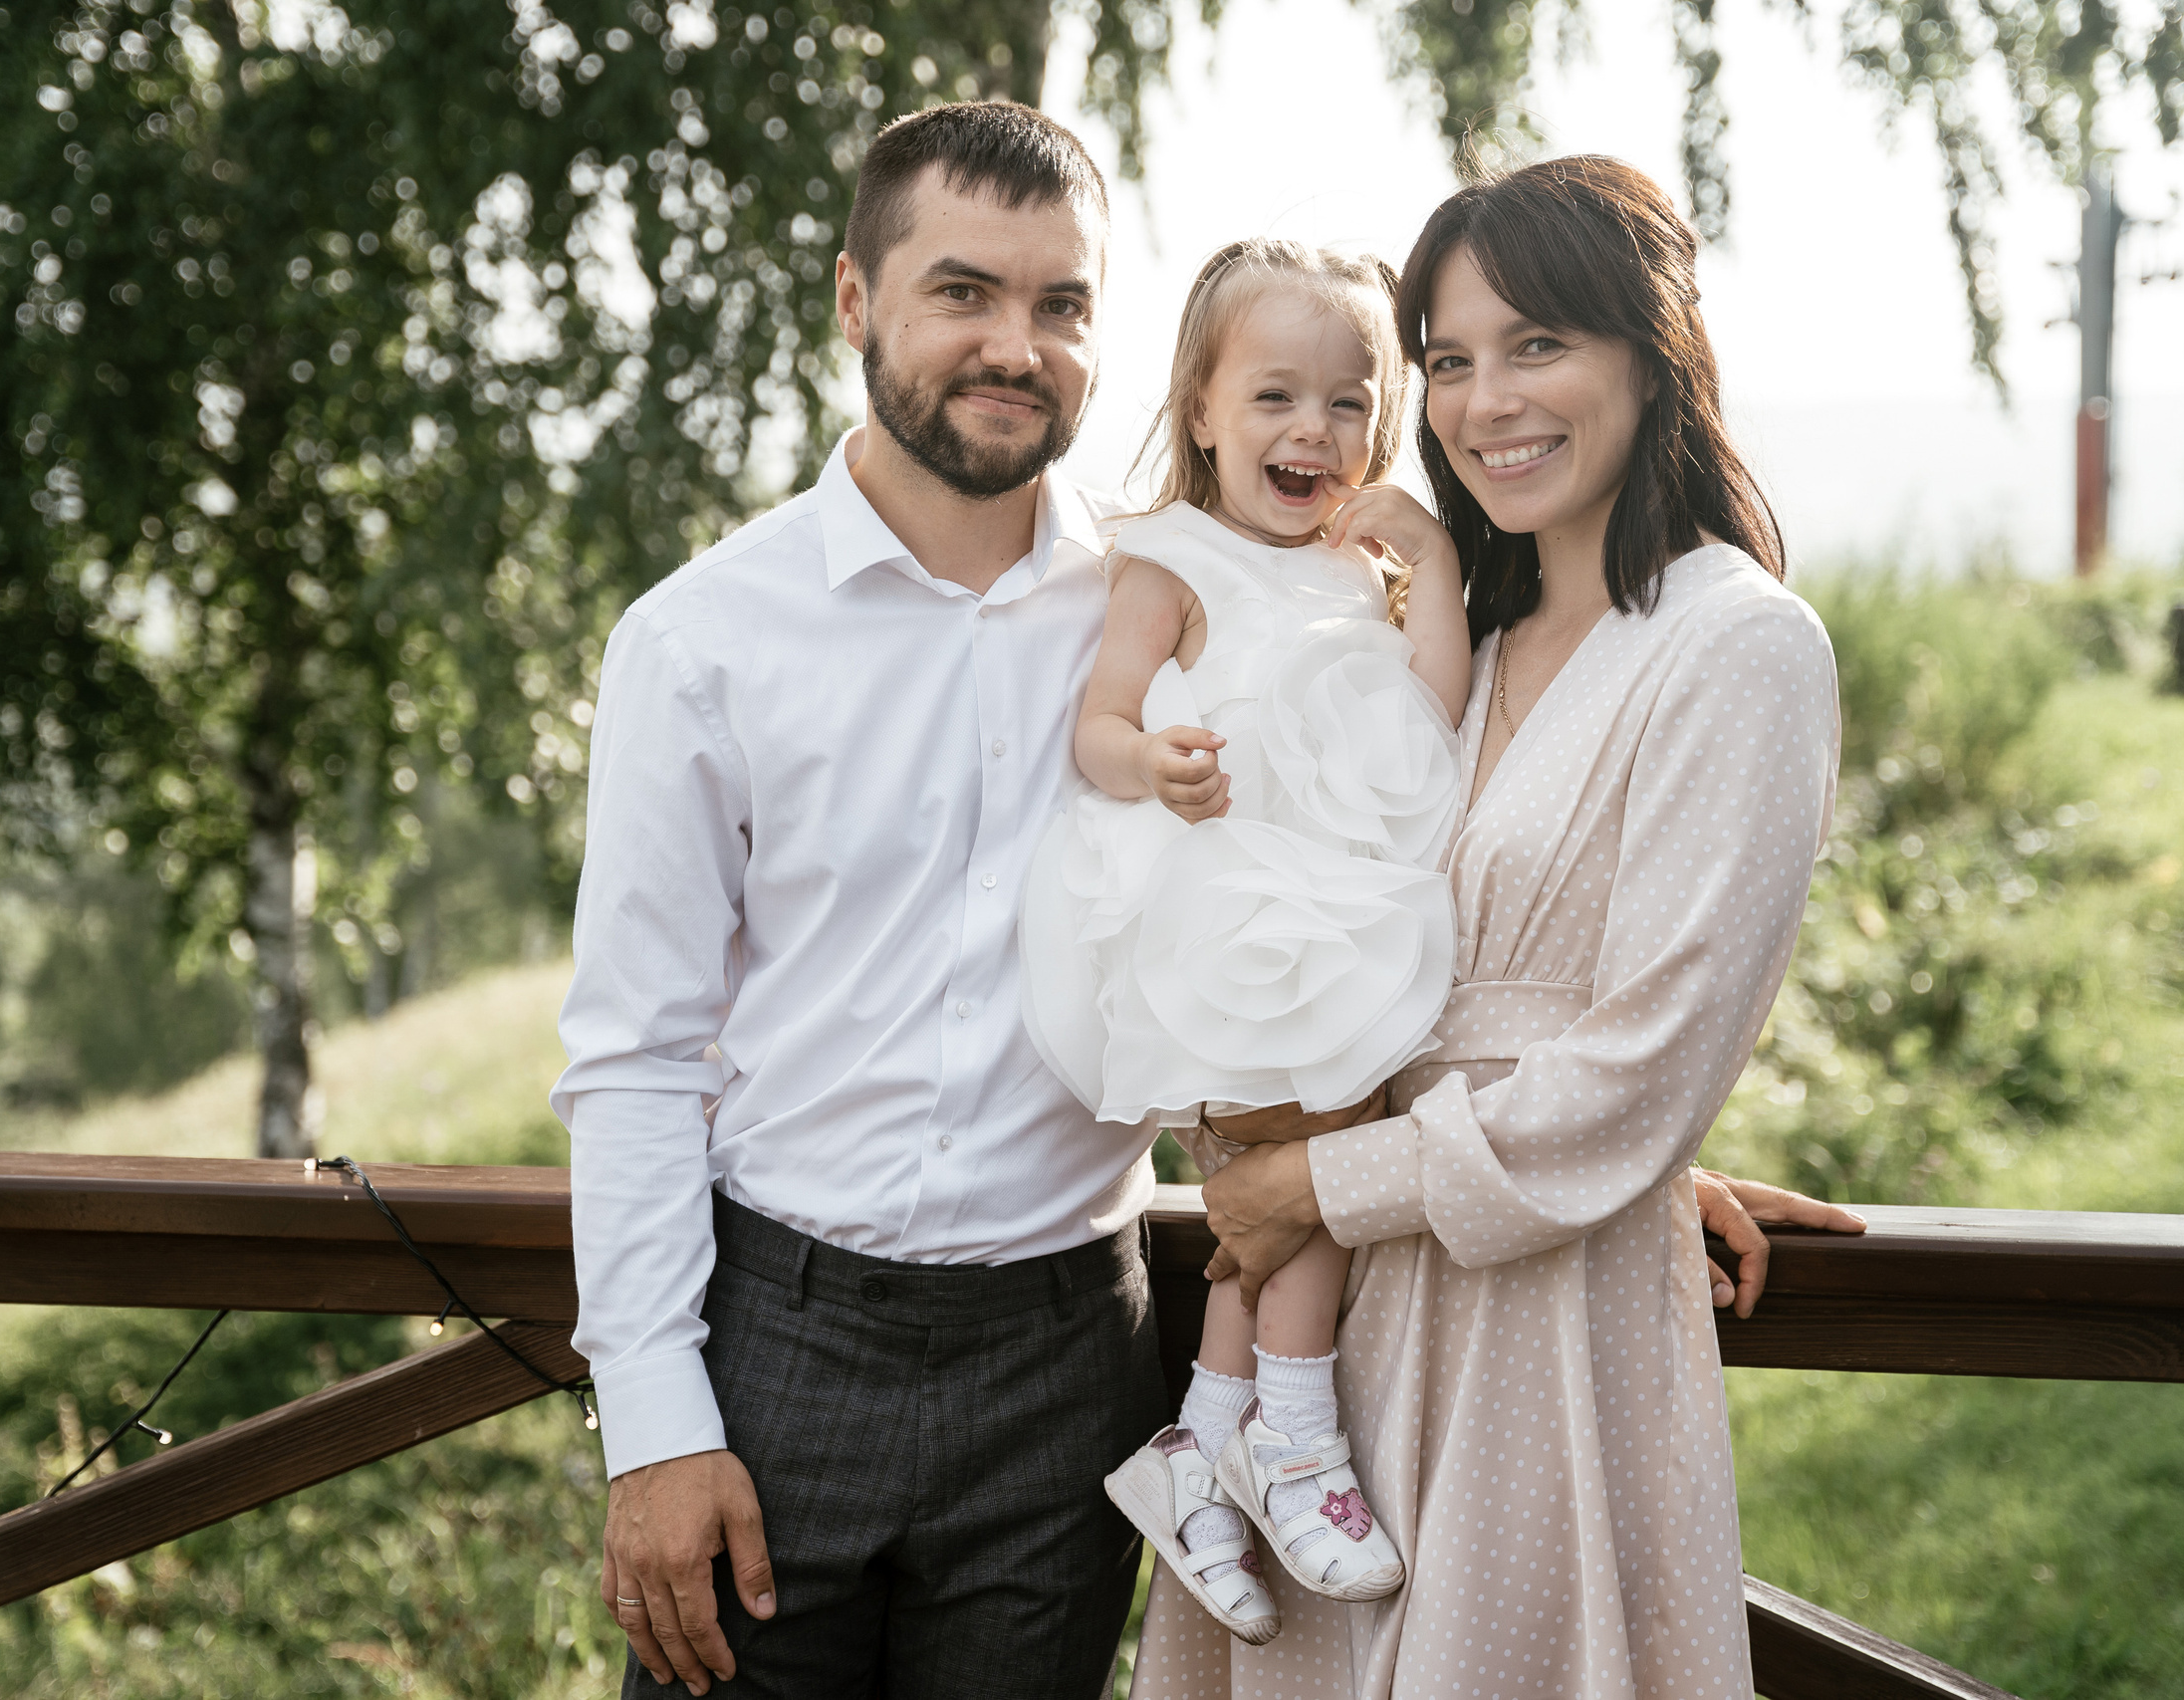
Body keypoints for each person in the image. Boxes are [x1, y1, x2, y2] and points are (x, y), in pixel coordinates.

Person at [558, 102, 1861, 1700]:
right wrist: (655, 1421)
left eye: (1061, 304)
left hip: (1077, 1352)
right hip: (787, 1342)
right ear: (855, 302)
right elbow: (633, 1052)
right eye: (962, 292)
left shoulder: (1189, 593)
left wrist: (1623, 1151)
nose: (1013, 345)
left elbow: (1365, 885)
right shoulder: (708, 639)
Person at [1129, 154, 1860, 1700]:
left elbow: (1637, 1063)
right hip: (1338, 1324)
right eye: (1448, 361)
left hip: (1539, 1329)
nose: (1486, 402)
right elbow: (1372, 956)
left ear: (1650, 353)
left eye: (1537, 345)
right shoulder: (1458, 642)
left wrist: (1337, 1176)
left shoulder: (1738, 647)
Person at [1018, 238, 1474, 1642]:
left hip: (1335, 917)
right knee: (1309, 1177)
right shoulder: (1170, 562)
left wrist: (1438, 555)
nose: (1312, 433)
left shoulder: (1363, 571)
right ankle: (1291, 1431)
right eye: (1275, 398)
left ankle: (1201, 1446)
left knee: (1286, 1187)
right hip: (1216, 920)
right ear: (1203, 409)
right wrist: (1154, 765)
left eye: (1349, 404)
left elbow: (1435, 713)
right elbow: (1097, 725)